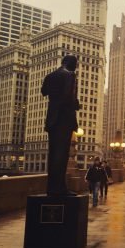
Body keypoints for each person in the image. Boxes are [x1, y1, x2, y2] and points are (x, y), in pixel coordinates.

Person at [41, 55, 80, 196]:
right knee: (61, 156)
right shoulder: (70, 75)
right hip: (64, 119)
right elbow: (68, 97)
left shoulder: (51, 75)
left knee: (52, 155)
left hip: (51, 119)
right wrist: (76, 104)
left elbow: (43, 91)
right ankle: (60, 189)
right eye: (75, 64)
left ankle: (51, 188)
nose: (76, 67)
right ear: (70, 63)